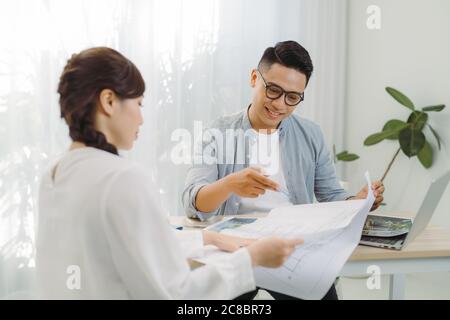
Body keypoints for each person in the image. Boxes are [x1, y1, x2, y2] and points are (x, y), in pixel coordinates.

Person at [35, 47, 303, 299]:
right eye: (138, 104)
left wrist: (206, 237)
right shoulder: (123, 179)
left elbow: (133, 247)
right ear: (108, 101)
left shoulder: (54, 175)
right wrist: (252, 258)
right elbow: (178, 294)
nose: (141, 119)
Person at [182, 40, 385, 300]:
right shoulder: (218, 132)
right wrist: (230, 184)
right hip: (236, 247)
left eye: (292, 98)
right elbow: (193, 204)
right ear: (255, 78)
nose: (280, 104)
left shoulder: (310, 134)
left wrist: (357, 201)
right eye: (273, 90)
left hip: (293, 245)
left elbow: (330, 195)